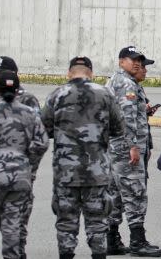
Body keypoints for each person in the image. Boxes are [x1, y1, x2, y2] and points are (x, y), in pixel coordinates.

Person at [41, 56, 124, 259]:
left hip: (65, 172)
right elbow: (118, 128)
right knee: (97, 223)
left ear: (69, 73)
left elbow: (43, 127)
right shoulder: (105, 94)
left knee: (66, 224)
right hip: (97, 172)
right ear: (91, 73)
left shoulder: (57, 95)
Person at [0, 71, 49, 259]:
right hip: (20, 176)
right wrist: (25, 161)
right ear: (16, 89)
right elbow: (42, 143)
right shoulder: (29, 113)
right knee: (12, 224)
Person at [105, 46, 161, 257]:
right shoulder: (127, 84)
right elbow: (126, 118)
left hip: (114, 146)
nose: (137, 63)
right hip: (125, 148)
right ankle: (138, 241)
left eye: (139, 60)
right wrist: (133, 146)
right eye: (132, 60)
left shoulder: (116, 80)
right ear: (121, 61)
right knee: (135, 193)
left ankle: (111, 240)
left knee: (116, 194)